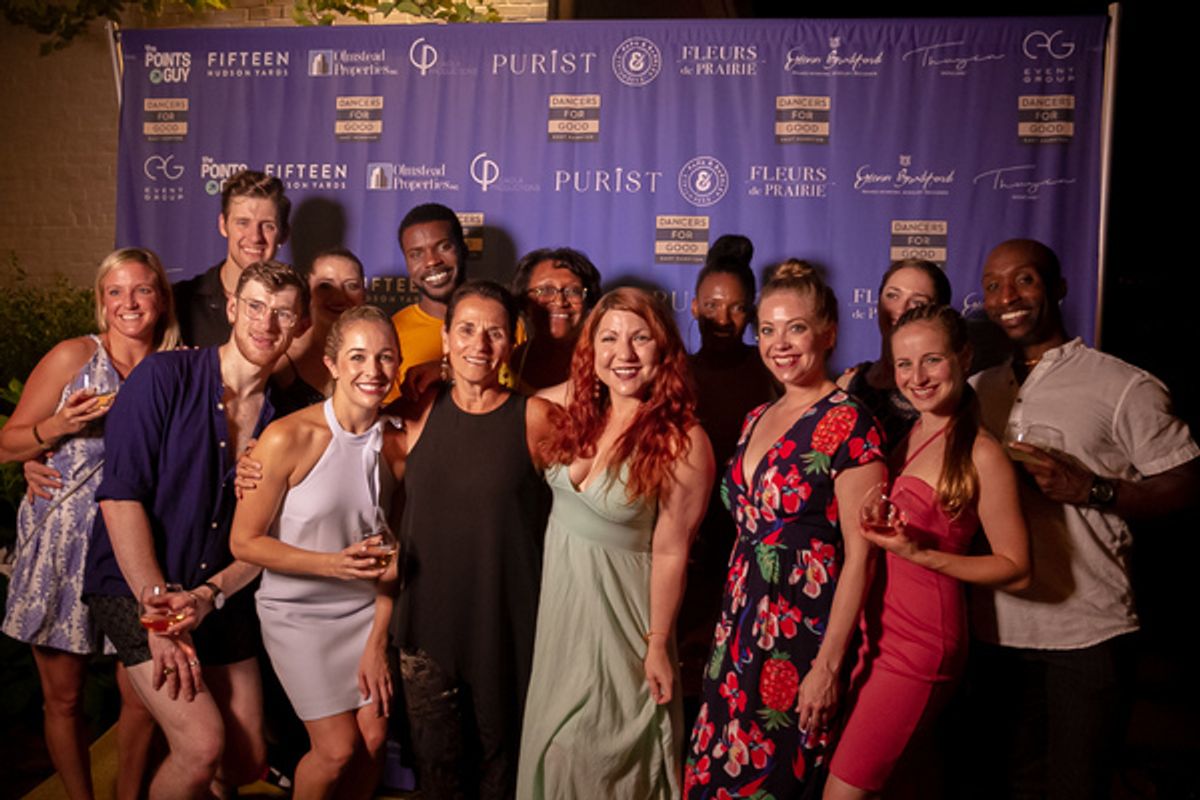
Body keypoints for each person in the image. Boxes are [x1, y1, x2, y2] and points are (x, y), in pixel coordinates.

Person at [966, 239, 1200, 799]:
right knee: (1002, 785)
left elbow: (1186, 485)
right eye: (994, 285)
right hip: (993, 631)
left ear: (1058, 287)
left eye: (1024, 280)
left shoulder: (1123, 387)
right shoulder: (976, 390)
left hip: (1086, 633)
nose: (1007, 297)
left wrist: (1092, 488)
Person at [82, 260, 307, 798]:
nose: (266, 324)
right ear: (232, 308)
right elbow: (120, 499)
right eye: (255, 307)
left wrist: (211, 594)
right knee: (201, 745)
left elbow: (275, 537)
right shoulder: (164, 377)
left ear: (299, 327)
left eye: (282, 314)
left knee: (247, 755)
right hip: (136, 585)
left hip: (219, 589)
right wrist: (159, 614)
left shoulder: (294, 417)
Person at [684, 260, 885, 798]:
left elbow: (861, 560)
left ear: (828, 332)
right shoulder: (757, 417)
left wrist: (827, 665)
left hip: (800, 636)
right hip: (739, 627)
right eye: (768, 330)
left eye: (795, 327)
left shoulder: (851, 422)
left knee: (775, 777)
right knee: (720, 768)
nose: (780, 343)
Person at [824, 304, 1030, 798]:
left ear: (963, 357)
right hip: (876, 633)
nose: (917, 377)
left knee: (844, 791)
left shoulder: (981, 453)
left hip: (920, 646)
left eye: (931, 360)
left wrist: (922, 553)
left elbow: (1017, 568)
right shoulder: (911, 431)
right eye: (904, 364)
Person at [517, 288, 716, 798]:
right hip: (563, 618)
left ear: (663, 349)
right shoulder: (576, 405)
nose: (623, 354)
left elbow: (673, 551)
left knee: (599, 758)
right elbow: (510, 401)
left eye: (640, 338)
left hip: (623, 625)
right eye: (609, 339)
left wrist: (656, 646)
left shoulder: (684, 440)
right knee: (554, 749)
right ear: (591, 348)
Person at [0, 248, 179, 800]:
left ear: (161, 299)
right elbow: (8, 441)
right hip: (61, 542)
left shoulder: (178, 365)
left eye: (142, 290)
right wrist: (56, 426)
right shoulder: (74, 356)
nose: (129, 303)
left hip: (139, 546)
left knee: (143, 692)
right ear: (102, 302)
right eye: (116, 292)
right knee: (65, 698)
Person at [230, 305, 405, 799]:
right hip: (297, 614)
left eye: (385, 357)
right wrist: (332, 564)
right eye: (357, 357)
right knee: (336, 750)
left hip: (366, 611)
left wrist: (378, 641)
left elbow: (395, 554)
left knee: (373, 737)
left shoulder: (397, 444)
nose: (372, 371)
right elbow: (244, 542)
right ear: (331, 365)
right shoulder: (288, 436)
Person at [397, 280, 557, 799]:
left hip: (507, 625)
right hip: (427, 630)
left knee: (502, 772)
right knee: (438, 775)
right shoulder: (416, 411)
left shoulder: (535, 418)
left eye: (494, 333)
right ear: (444, 339)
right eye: (466, 330)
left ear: (511, 343)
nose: (479, 345)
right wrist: (258, 459)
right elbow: (337, 443)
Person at [680, 237, 778, 713]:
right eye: (713, 305)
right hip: (689, 545)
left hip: (750, 547)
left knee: (743, 672)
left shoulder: (773, 374)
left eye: (737, 308)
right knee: (687, 672)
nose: (722, 319)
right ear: (695, 305)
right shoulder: (672, 373)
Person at [837, 260, 952, 450]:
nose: (900, 309)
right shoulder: (848, 383)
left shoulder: (941, 390)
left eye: (917, 302)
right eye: (892, 295)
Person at [173, 169, 291, 347]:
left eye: (268, 226)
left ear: (284, 234)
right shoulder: (179, 301)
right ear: (223, 225)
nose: (255, 237)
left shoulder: (298, 307)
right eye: (243, 223)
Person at [272, 247, 369, 416]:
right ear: (307, 291)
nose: (339, 296)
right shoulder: (281, 355)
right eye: (325, 286)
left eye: (352, 286)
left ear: (364, 295)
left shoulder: (374, 357)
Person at [385, 203, 468, 396]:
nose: (431, 261)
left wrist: (451, 372)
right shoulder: (392, 333)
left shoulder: (503, 323)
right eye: (416, 254)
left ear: (463, 250)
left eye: (443, 247)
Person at [507, 246, 602, 401]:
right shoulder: (508, 363)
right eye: (545, 290)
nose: (560, 301)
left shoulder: (603, 362)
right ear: (524, 301)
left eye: (573, 291)